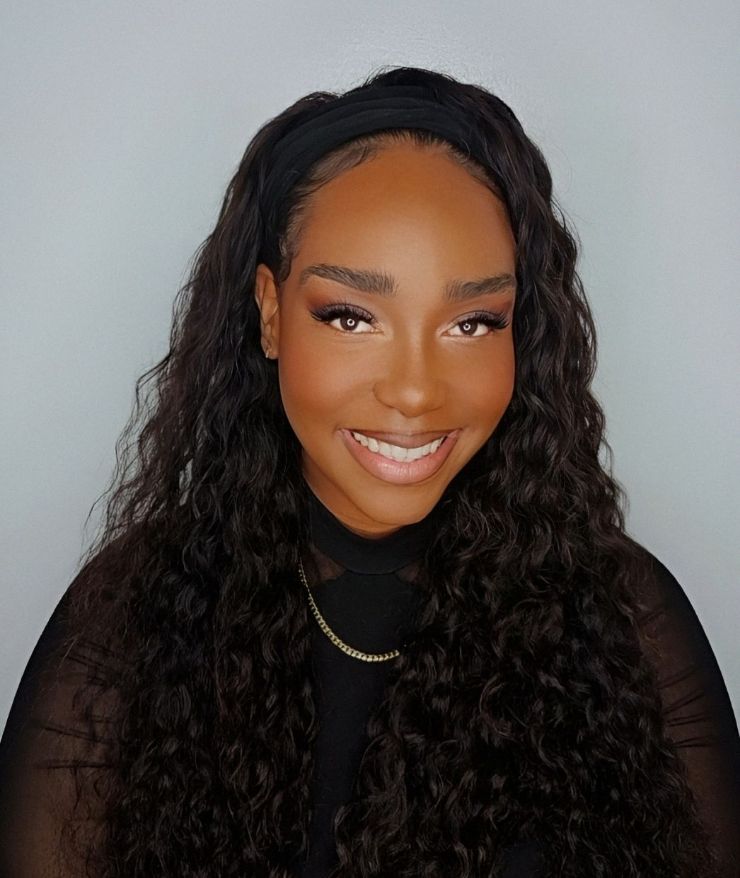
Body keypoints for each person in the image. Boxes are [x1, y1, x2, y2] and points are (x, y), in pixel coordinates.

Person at [0, 65, 738, 878]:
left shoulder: (625, 623)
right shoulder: (128, 625)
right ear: (272, 312)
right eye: (351, 316)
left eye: (471, 322)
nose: (416, 390)